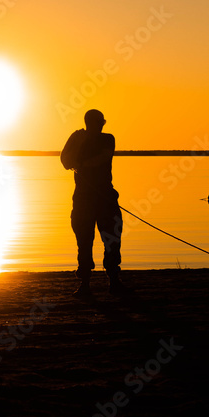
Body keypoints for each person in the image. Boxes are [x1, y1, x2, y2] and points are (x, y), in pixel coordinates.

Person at [62, 109, 124, 296]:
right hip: (83, 199)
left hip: (105, 197)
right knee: (84, 241)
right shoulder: (76, 137)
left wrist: (81, 164)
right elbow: (65, 161)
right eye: (101, 121)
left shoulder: (107, 139)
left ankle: (113, 281)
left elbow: (103, 157)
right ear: (97, 122)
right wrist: (79, 149)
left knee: (112, 238)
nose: (102, 124)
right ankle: (85, 284)